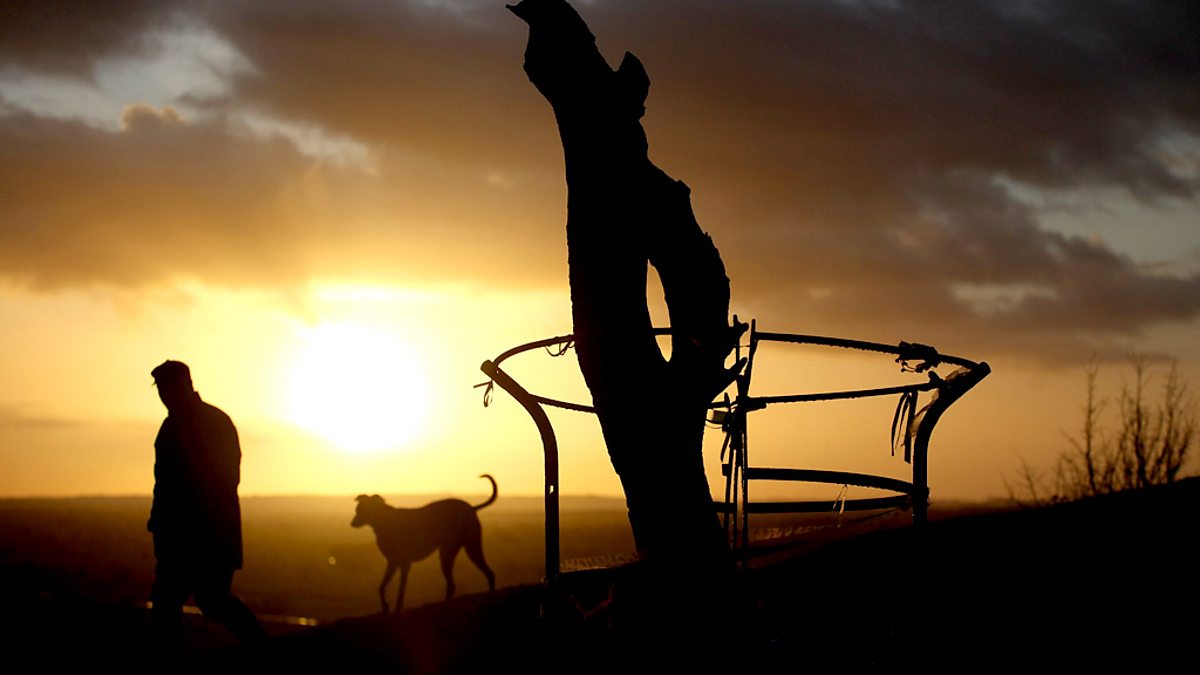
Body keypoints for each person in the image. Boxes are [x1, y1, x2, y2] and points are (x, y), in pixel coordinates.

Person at [148, 360, 265, 650]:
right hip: (187, 536)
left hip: (206, 535)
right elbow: (164, 484)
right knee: (176, 602)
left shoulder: (211, 423)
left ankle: (263, 648)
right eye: (161, 389)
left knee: (207, 601)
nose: (164, 395)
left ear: (186, 385)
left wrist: (176, 520)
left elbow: (224, 479)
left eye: (168, 387)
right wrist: (160, 523)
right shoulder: (175, 425)